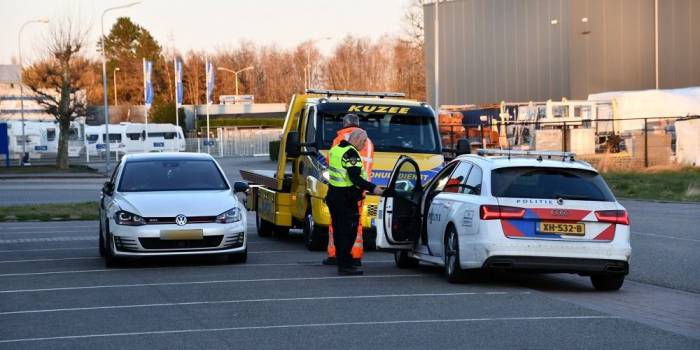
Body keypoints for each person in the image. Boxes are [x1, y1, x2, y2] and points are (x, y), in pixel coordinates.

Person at [325, 129, 382, 275]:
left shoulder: (336, 149)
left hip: (333, 195)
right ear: (356, 139)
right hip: (346, 198)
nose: (364, 146)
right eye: (363, 142)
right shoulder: (351, 154)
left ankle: (344, 262)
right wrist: (373, 187)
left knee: (339, 232)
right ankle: (345, 266)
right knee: (348, 232)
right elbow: (355, 178)